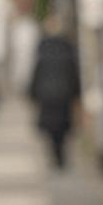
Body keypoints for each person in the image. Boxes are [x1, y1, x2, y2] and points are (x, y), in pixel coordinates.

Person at [29, 21, 83, 172]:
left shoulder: (43, 52)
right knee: (62, 129)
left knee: (51, 128)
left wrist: (33, 93)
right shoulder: (68, 51)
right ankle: (60, 157)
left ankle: (55, 156)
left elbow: (36, 74)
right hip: (63, 96)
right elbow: (74, 75)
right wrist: (77, 94)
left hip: (47, 96)